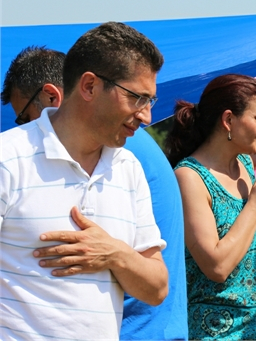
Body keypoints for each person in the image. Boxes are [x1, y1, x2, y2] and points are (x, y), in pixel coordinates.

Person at [1, 45, 189, 340]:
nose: (147, 116)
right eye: (138, 97)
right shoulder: (8, 157)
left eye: (150, 100)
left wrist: (115, 253)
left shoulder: (128, 165)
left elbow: (158, 289)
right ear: (89, 86)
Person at [166, 74, 256, 340]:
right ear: (228, 120)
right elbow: (217, 267)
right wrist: (254, 206)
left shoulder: (244, 163)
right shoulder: (190, 178)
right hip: (224, 333)